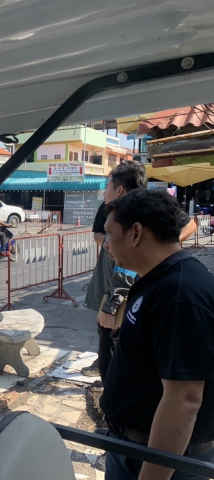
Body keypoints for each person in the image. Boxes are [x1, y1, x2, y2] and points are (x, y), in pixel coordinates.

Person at [100, 189, 214, 480]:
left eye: (110, 233)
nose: (106, 244)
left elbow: (184, 399)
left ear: (136, 233)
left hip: (158, 459)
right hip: (130, 448)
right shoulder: (159, 279)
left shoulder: (179, 294)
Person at [83, 162, 196, 381]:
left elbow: (185, 392)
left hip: (125, 285)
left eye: (107, 186)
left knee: (112, 333)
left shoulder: (143, 209)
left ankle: (112, 387)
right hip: (118, 283)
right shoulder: (112, 211)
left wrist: (162, 246)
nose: (104, 192)